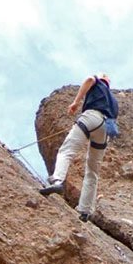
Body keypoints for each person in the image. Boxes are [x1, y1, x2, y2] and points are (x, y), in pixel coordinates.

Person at [40, 73, 118, 222]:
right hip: (105, 128)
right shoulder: (114, 101)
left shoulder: (97, 82)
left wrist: (76, 102)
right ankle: (85, 210)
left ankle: (57, 181)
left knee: (66, 150)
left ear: (102, 80)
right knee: (93, 170)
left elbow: (89, 79)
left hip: (91, 116)